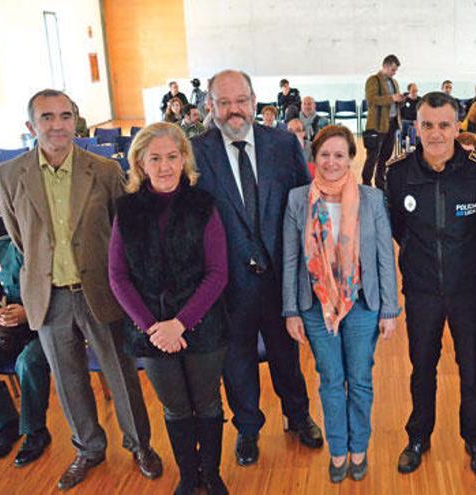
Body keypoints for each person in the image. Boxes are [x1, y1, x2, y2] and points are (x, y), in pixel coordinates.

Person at [0, 89, 162, 490]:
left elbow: (122, 234)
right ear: (30, 126)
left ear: (76, 121)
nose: (57, 125)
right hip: (48, 296)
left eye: (65, 116)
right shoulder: (10, 174)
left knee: (120, 374)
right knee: (69, 381)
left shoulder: (104, 171)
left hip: (100, 291)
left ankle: (139, 444)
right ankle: (89, 448)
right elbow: (19, 238)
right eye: (47, 117)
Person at [191, 70, 322, 468]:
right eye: (224, 102)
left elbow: (305, 207)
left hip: (281, 279)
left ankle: (297, 416)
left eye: (241, 100)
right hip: (226, 284)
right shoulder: (196, 152)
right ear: (210, 106)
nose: (234, 110)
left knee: (286, 355)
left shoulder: (283, 144)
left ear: (253, 100)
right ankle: (248, 429)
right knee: (237, 361)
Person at [109, 122, 230, 495]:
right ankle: (188, 476)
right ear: (141, 164)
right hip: (151, 334)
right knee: (176, 409)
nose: (165, 166)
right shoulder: (126, 210)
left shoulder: (203, 205)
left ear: (184, 160)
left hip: (202, 325)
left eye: (172, 157)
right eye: (155, 158)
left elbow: (217, 273)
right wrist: (153, 327)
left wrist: (180, 323)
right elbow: (117, 276)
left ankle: (211, 474)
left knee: (208, 403)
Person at [283, 125, 400, 483]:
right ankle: (337, 449)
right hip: (315, 306)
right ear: (314, 159)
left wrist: (390, 309)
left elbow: (384, 256)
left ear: (351, 158)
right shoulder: (298, 199)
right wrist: (291, 310)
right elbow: (290, 258)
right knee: (331, 380)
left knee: (360, 379)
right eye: (324, 155)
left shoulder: (371, 198)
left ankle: (358, 447)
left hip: (363, 304)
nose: (331, 162)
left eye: (339, 155)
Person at [385, 92, 476, 478]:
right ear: (417, 127)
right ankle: (418, 437)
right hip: (422, 290)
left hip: (468, 292)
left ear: (457, 127)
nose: (435, 133)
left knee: (473, 370)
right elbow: (398, 229)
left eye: (444, 125)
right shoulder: (398, 174)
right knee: (422, 368)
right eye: (427, 125)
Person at [0, 234, 51, 467]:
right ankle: (5, 424)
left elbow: (60, 293)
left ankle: (35, 430)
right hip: (9, 328)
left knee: (27, 362)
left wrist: (28, 312)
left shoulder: (46, 244)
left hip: (45, 324)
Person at [362, 54, 403, 189]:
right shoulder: (373, 80)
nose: (394, 73)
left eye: (395, 70)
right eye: (392, 70)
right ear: (385, 66)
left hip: (392, 123)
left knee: (386, 155)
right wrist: (392, 98)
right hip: (377, 125)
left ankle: (380, 182)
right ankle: (366, 183)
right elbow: (372, 100)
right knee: (372, 156)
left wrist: (401, 100)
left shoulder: (394, 82)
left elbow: (394, 102)